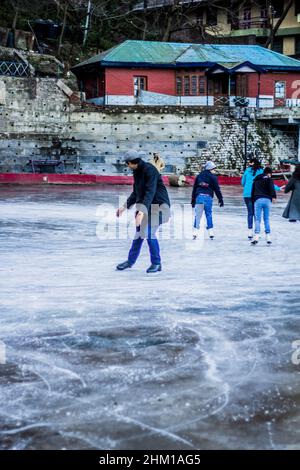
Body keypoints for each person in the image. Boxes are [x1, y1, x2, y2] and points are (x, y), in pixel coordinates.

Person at [116, 150, 170, 273]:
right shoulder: (137, 172)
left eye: (126, 164)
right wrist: (124, 207)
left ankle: (156, 263)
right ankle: (130, 261)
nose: (127, 166)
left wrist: (141, 212)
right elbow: (136, 193)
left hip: (160, 207)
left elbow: (150, 192)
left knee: (149, 233)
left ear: (130, 162)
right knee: (139, 235)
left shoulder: (150, 170)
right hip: (148, 207)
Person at [191, 161, 224, 240]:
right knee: (208, 214)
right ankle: (211, 232)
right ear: (210, 169)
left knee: (198, 215)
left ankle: (195, 232)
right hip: (208, 197)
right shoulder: (213, 177)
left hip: (199, 196)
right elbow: (217, 189)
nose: (214, 170)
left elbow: (194, 188)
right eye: (214, 169)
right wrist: (220, 199)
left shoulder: (199, 176)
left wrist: (193, 200)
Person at [251, 167, 276, 245]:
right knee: (266, 219)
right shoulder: (269, 179)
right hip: (267, 200)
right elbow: (272, 188)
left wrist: (253, 200)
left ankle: (256, 236)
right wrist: (274, 197)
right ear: (269, 173)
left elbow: (252, 190)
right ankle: (268, 236)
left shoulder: (256, 179)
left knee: (257, 219)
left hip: (257, 199)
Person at [241, 158, 263, 240]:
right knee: (257, 213)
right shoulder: (261, 171)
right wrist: (278, 188)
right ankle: (257, 232)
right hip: (257, 194)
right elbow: (266, 182)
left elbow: (242, 182)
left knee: (250, 213)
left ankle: (250, 231)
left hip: (247, 194)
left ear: (252, 163)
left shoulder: (247, 171)